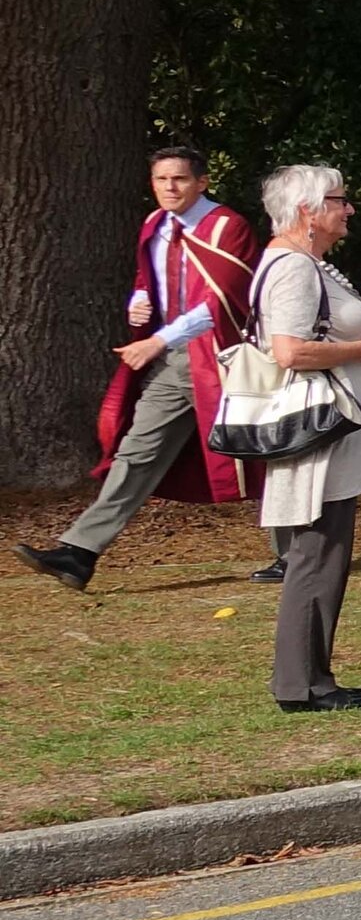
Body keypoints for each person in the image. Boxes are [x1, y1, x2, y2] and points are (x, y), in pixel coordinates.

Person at [21, 144, 261, 590]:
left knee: (264, 450)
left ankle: (299, 552)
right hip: (177, 359)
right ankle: (79, 553)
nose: (169, 188)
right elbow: (148, 279)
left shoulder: (227, 227)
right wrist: (140, 302)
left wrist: (157, 340)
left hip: (221, 358)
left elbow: (225, 301)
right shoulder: (156, 224)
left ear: (203, 182)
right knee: (138, 453)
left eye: (180, 179)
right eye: (161, 180)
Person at [249, 164, 361, 709]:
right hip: (319, 436)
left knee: (325, 551)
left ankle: (312, 679)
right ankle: (301, 686)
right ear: (308, 211)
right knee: (317, 553)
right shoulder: (294, 267)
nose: (348, 210)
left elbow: (319, 328)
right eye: (339, 201)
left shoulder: (308, 264)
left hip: (331, 437)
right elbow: (290, 351)